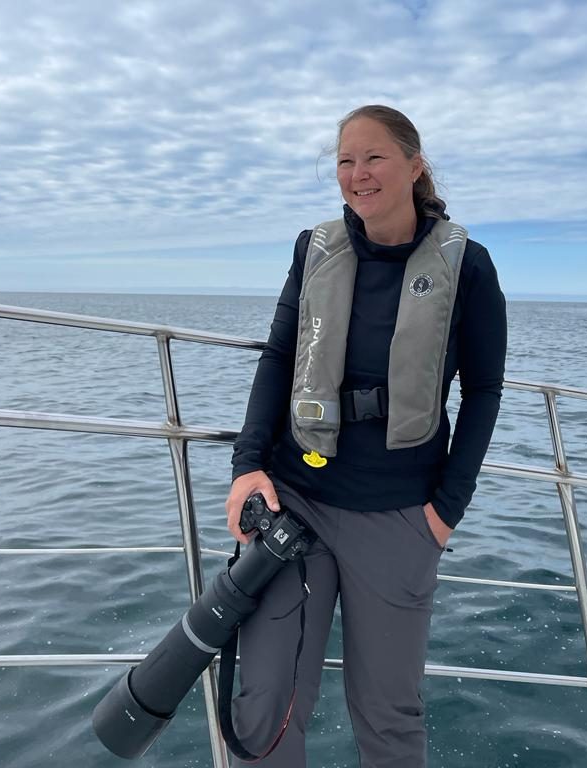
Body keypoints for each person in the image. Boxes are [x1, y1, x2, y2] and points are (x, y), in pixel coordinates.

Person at [225, 104, 507, 768]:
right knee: (265, 701)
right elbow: (278, 356)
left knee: (388, 715)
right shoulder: (314, 249)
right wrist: (247, 467)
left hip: (399, 517)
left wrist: (445, 512)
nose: (357, 174)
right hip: (296, 502)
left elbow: (486, 391)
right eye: (345, 161)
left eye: (374, 157)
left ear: (414, 166)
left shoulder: (469, 266)